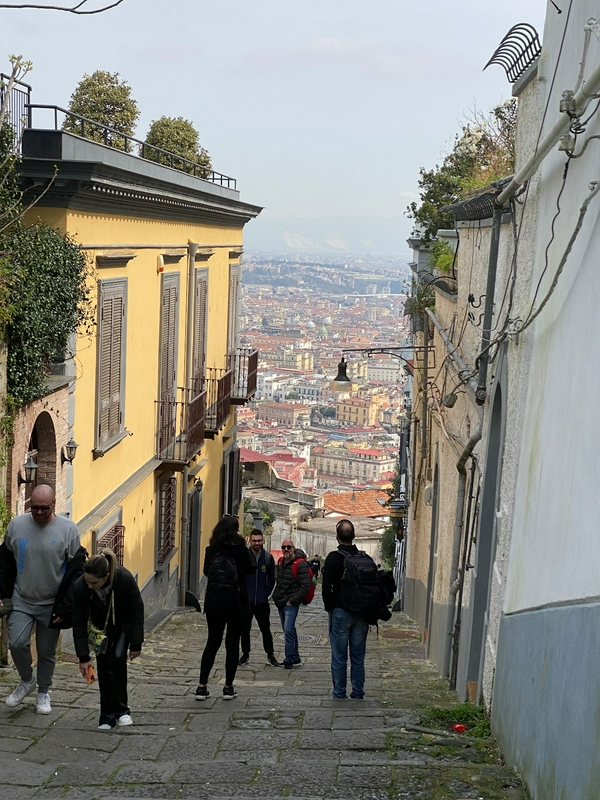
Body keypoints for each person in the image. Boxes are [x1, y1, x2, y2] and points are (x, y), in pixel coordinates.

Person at [0, 484, 82, 715]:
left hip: (51, 603)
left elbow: (76, 571)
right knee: (16, 642)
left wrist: (65, 607)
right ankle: (27, 681)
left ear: (54, 505)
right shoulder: (17, 525)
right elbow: (4, 561)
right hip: (22, 598)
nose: (38, 513)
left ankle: (43, 691)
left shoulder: (68, 530)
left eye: (43, 508)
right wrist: (1, 592)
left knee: (46, 652)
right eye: (34, 507)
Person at [71, 549, 144, 730]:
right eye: (87, 581)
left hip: (122, 625)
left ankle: (122, 711)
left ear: (107, 576)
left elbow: (136, 610)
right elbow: (78, 622)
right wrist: (83, 657)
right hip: (99, 629)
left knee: (118, 658)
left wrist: (136, 643)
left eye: (94, 582)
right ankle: (107, 715)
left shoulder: (124, 579)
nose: (89, 586)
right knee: (104, 666)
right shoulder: (81, 586)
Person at [196, 515, 256, 701]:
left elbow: (207, 571)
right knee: (232, 644)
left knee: (212, 642)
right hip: (236, 602)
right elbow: (251, 568)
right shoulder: (240, 549)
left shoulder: (211, 549)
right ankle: (228, 688)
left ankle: (201, 686)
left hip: (214, 602)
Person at [322, 518, 370, 700]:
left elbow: (326, 589)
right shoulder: (363, 558)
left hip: (340, 612)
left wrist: (331, 607)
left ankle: (339, 692)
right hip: (362, 614)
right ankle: (358, 692)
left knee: (339, 656)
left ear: (337, 538)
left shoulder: (334, 558)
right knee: (358, 657)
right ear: (354, 536)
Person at [239, 529, 280, 667]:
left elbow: (272, 579)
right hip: (247, 601)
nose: (257, 543)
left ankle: (270, 654)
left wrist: (265, 593)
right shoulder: (244, 557)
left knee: (266, 629)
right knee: (245, 629)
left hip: (262, 602)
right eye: (254, 540)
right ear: (250, 541)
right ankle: (245, 654)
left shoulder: (267, 558)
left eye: (259, 540)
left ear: (263, 541)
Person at [272, 538, 310, 670]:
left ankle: (288, 658)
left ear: (293, 548)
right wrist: (276, 597)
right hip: (281, 601)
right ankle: (295, 656)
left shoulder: (300, 564)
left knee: (288, 630)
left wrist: (292, 600)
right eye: (284, 547)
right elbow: (279, 581)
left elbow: (305, 585)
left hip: (290, 603)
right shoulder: (281, 561)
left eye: (289, 547)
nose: (286, 549)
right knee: (290, 629)